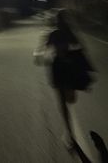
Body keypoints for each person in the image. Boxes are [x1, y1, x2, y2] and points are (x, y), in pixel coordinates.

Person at [35, 9, 94, 150]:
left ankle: (69, 132)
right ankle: (69, 133)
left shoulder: (56, 33)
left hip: (60, 68)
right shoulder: (64, 33)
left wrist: (39, 55)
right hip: (65, 68)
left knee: (65, 101)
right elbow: (82, 48)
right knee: (67, 100)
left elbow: (42, 50)